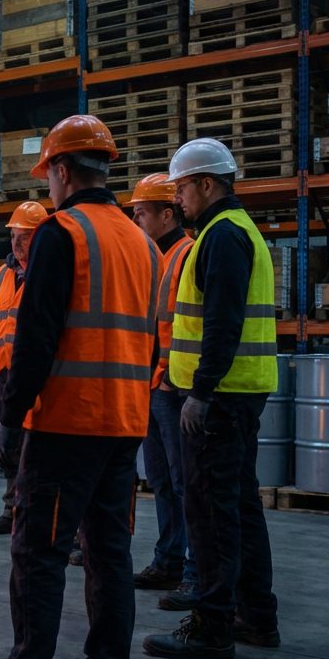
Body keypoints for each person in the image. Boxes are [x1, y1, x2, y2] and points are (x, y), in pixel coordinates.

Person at [0, 115, 160, 659]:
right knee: (110, 555)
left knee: (38, 555)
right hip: (125, 425)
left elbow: (36, 339)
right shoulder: (143, 244)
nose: (48, 185)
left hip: (66, 424)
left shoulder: (61, 233)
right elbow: (148, 340)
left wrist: (10, 418)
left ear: (64, 171)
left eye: (48, 174)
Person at [143, 138, 280, 659]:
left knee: (210, 511)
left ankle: (211, 625)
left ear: (206, 184)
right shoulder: (235, 230)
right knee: (239, 506)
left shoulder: (222, 236)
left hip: (218, 399)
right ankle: (255, 616)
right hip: (238, 392)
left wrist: (199, 393)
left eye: (181, 188)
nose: (177, 198)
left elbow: (223, 322)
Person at [129, 173, 199, 609]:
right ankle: (169, 559)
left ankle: (194, 571)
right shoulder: (152, 258)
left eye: (141, 213)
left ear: (167, 214)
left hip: (174, 387)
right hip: (153, 383)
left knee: (183, 481)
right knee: (160, 479)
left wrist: (177, 378)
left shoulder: (187, 254)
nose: (136, 221)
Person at [0, 200, 47, 536]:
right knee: (9, 449)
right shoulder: (0, 277)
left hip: (37, 376)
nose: (17, 243)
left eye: (25, 237)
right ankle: (11, 509)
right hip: (4, 374)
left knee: (39, 449)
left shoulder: (47, 274)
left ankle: (36, 514)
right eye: (13, 237)